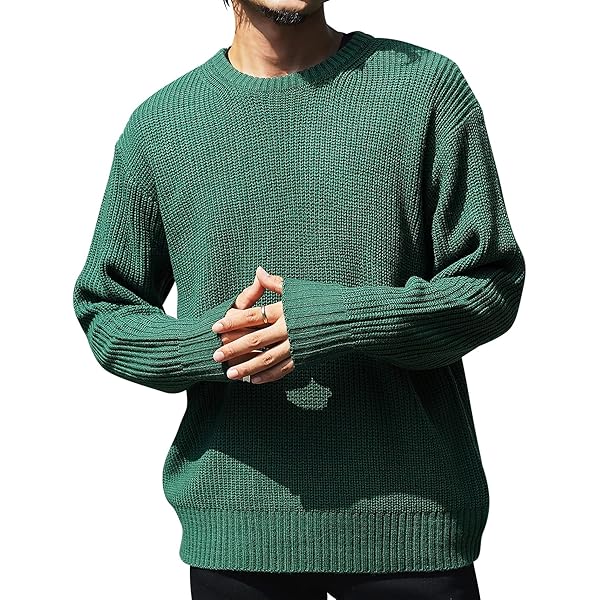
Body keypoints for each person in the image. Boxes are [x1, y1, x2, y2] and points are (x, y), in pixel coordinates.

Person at [72, 0, 526, 598]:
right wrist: (220, 345)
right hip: (237, 521)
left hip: (411, 518)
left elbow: (490, 284)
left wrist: (332, 321)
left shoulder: (425, 89)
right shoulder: (162, 125)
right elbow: (106, 309)